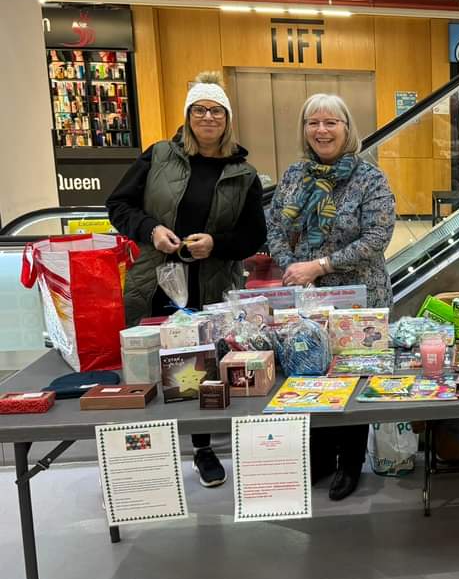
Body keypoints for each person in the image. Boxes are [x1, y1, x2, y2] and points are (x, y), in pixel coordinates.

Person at [106, 70, 266, 488]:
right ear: (188, 115)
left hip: (212, 286)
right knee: (149, 367)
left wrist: (215, 244)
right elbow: (118, 206)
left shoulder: (243, 173)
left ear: (228, 119)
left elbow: (253, 236)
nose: (208, 117)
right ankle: (145, 459)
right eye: (200, 110)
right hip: (154, 281)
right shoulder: (158, 156)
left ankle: (203, 448)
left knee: (203, 368)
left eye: (216, 110)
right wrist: (151, 231)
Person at [266, 93, 396, 501]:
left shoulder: (369, 178)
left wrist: (318, 266)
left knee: (350, 376)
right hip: (304, 297)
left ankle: (349, 462)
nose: (321, 130)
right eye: (313, 122)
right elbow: (274, 227)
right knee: (306, 373)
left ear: (347, 128)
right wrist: (292, 268)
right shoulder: (292, 176)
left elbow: (377, 238)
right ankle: (319, 455)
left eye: (331, 122)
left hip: (358, 296)